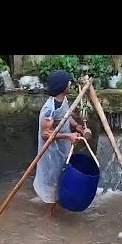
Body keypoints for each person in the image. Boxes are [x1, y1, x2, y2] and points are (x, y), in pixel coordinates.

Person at [33, 70, 86, 218]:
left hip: (62, 147)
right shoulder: (49, 109)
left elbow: (66, 115)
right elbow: (45, 133)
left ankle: (57, 206)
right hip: (51, 150)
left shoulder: (63, 101)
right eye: (69, 83)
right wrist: (68, 136)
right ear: (62, 86)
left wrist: (76, 126)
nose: (71, 85)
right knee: (52, 178)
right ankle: (48, 215)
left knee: (61, 175)